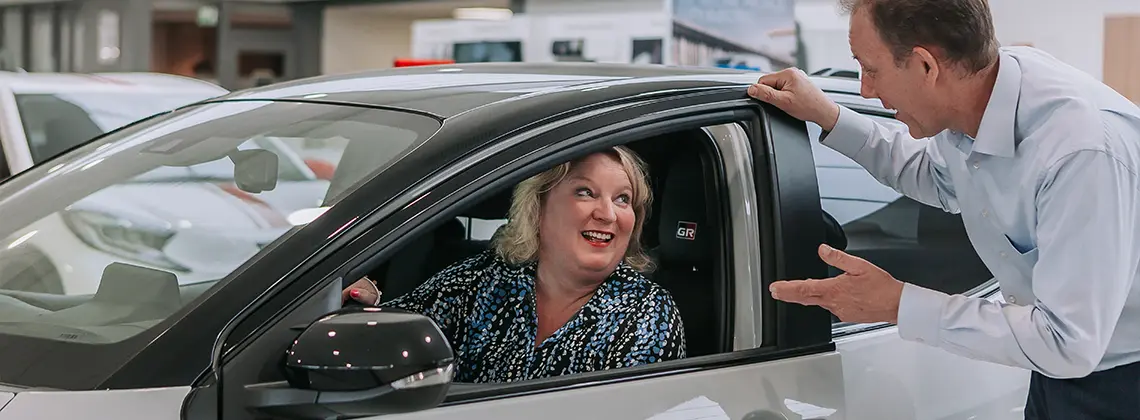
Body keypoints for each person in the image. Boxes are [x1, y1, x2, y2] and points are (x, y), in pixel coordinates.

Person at [748, 0, 1140, 418]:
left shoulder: (1079, 153)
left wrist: (897, 303)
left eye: (871, 69)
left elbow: (1067, 342)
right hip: (1057, 371)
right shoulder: (979, 95)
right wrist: (828, 115)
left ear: (925, 66)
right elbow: (935, 176)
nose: (865, 89)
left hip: (1119, 381)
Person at [343, 146, 687, 383]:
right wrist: (366, 301)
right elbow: (390, 333)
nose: (608, 214)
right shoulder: (484, 278)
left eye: (623, 199)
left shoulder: (647, 312)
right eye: (586, 192)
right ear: (538, 206)